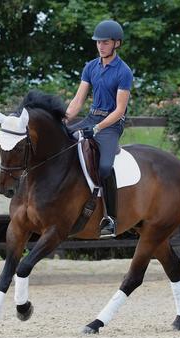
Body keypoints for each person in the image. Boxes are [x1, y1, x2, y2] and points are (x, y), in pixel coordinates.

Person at [64, 19, 133, 238]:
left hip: (111, 124)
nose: (100, 46)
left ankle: (110, 218)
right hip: (92, 117)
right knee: (62, 146)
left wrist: (97, 128)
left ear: (116, 44)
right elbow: (77, 101)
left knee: (104, 167)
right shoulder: (90, 67)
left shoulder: (124, 72)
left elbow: (120, 110)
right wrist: (63, 121)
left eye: (105, 42)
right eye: (98, 42)